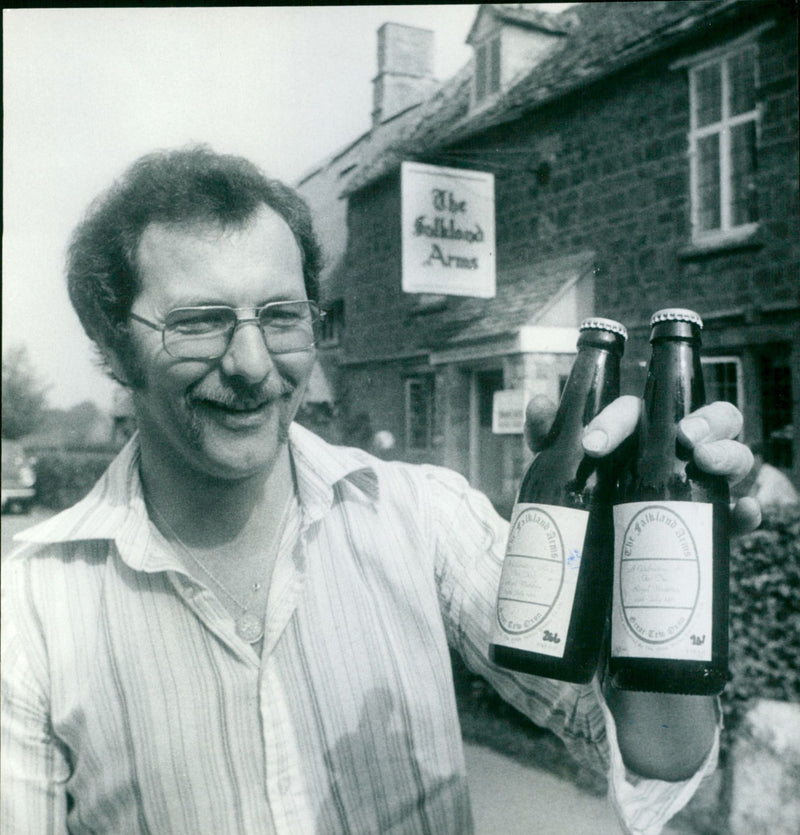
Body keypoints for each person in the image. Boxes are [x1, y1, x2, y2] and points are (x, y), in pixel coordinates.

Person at [1, 147, 760, 835]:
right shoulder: (31, 610)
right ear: (112, 346)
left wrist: (653, 552)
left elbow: (660, 748)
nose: (252, 363)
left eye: (281, 315)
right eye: (198, 323)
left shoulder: (421, 515)